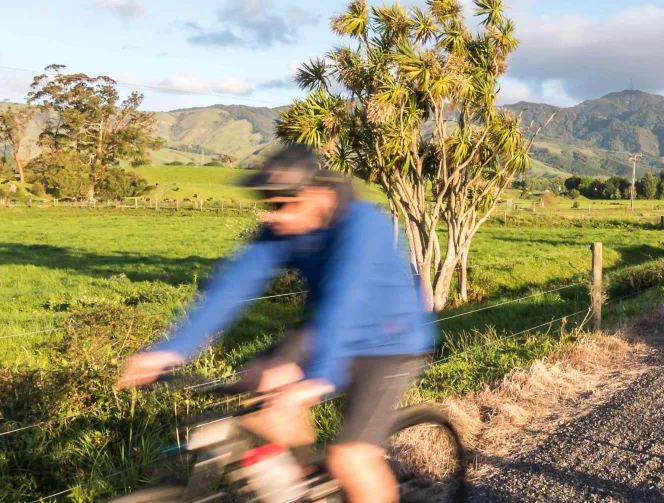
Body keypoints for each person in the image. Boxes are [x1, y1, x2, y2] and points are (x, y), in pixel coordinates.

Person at [116, 145, 434, 503]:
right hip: (326, 329)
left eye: (283, 204)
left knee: (350, 457)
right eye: (270, 204)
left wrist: (321, 377)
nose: (273, 216)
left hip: (390, 341)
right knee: (261, 381)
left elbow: (345, 298)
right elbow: (231, 287)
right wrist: (168, 351)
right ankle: (305, 483)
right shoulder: (282, 230)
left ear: (319, 196)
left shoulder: (362, 225)